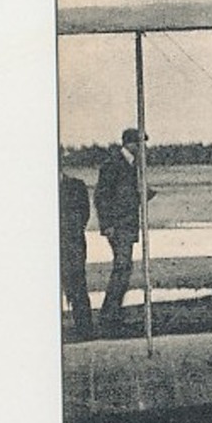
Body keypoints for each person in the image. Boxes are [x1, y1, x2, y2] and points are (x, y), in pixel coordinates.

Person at [93, 128, 153, 336]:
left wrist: (145, 193)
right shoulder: (113, 164)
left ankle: (113, 314)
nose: (142, 148)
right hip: (117, 226)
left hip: (127, 225)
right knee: (122, 267)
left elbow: (129, 193)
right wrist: (107, 225)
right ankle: (109, 316)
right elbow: (101, 197)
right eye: (139, 144)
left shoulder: (134, 165)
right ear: (129, 144)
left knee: (124, 268)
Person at [59, 157, 94, 340]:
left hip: (72, 243)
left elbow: (84, 213)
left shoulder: (76, 186)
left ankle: (85, 329)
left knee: (77, 286)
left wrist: (72, 229)